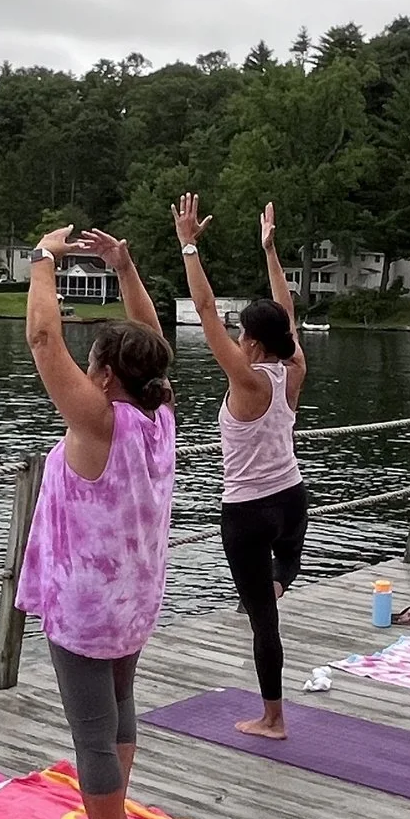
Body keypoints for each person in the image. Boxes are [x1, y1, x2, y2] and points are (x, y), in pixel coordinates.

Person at [15, 221, 175, 819]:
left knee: (92, 733)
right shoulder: (159, 416)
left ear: (105, 374)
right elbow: (157, 348)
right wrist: (124, 266)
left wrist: (44, 258)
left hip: (86, 611)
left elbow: (42, 336)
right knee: (118, 711)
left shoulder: (97, 421)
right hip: (134, 601)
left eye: (93, 364)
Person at [175, 194, 307, 739]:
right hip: (293, 502)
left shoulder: (248, 380)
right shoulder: (293, 368)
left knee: (261, 620)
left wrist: (188, 246)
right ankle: (277, 580)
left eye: (241, 333)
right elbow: (287, 311)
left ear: (250, 341)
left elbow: (204, 311)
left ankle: (273, 717)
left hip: (248, 512)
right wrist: (270, 250)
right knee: (282, 576)